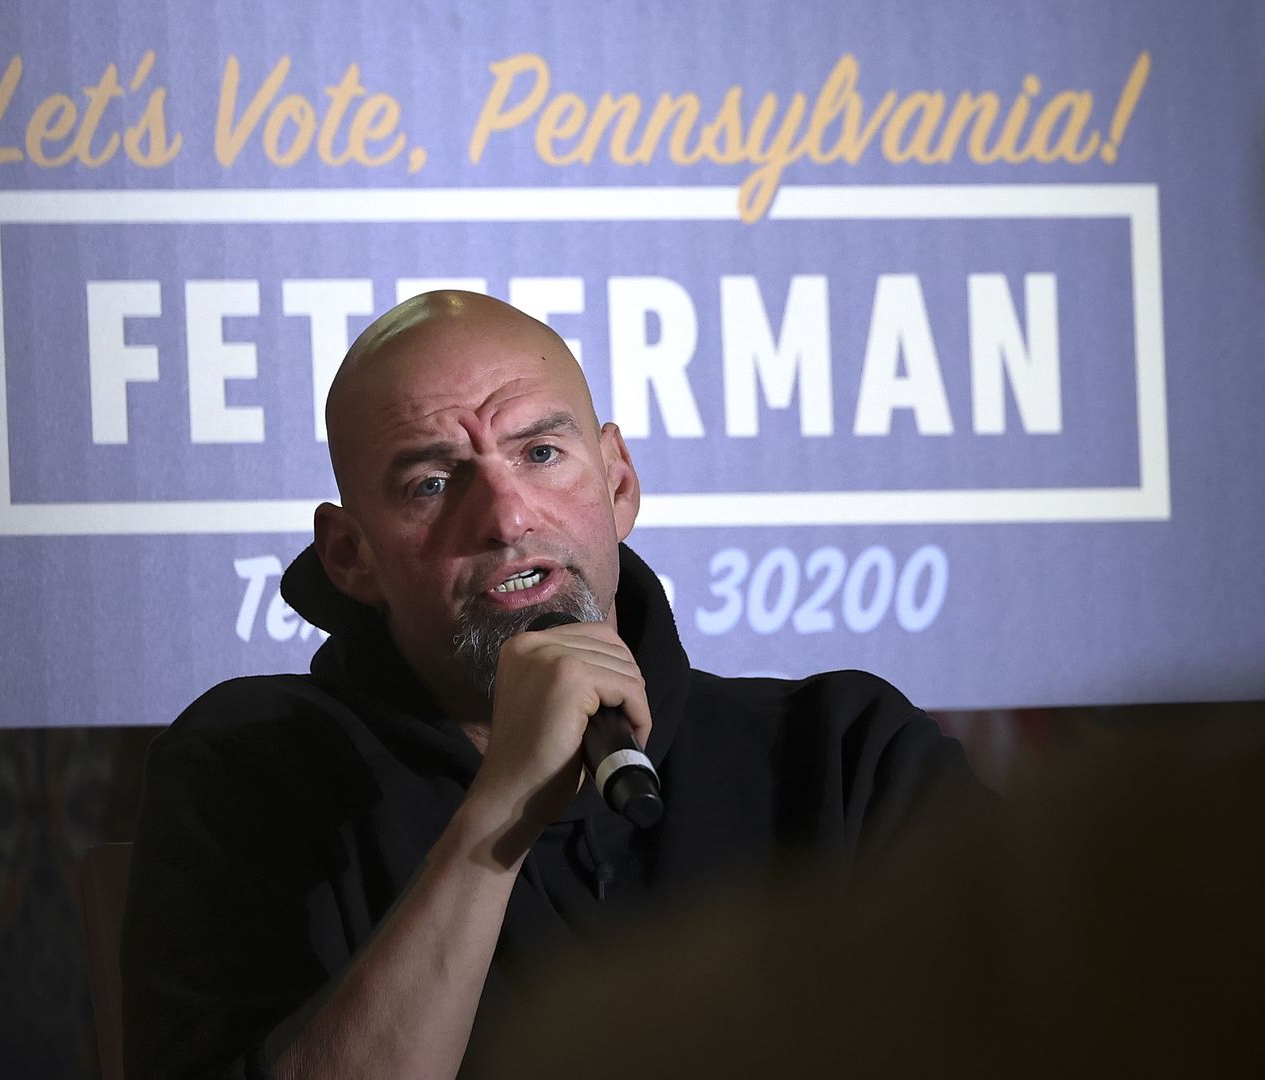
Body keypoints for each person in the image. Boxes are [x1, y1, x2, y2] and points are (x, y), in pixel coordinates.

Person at [120, 291, 985, 1079]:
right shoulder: (252, 767)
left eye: (540, 452)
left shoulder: (843, 752)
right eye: (431, 481)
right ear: (350, 555)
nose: (505, 515)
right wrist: (497, 814)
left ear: (616, 483)